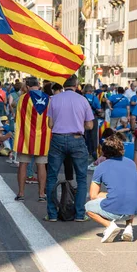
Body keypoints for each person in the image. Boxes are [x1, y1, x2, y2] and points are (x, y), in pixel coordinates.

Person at [45, 74, 94, 222]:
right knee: (81, 178)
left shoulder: (54, 100)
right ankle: (80, 214)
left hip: (58, 138)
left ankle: (52, 214)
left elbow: (50, 124)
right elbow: (90, 125)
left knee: (52, 177)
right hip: (77, 139)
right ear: (76, 84)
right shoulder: (83, 100)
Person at [85, 135, 137, 243]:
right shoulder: (131, 163)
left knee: (88, 207)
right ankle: (129, 227)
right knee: (129, 196)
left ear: (104, 151)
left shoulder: (101, 167)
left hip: (116, 206)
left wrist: (108, 194)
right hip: (134, 206)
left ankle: (110, 226)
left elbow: (93, 195)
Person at [14, 77, 50, 202]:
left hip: (26, 137)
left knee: (23, 164)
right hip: (43, 137)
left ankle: (21, 193)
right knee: (41, 165)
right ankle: (41, 194)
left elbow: (16, 115)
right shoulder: (48, 98)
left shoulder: (23, 98)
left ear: (28, 86)